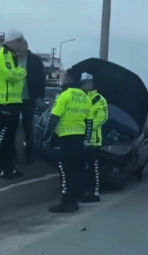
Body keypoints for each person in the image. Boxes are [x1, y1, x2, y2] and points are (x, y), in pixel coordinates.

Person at [43, 69, 93, 213]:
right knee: (76, 172)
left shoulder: (64, 95)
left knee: (65, 173)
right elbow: (89, 122)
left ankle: (66, 204)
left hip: (66, 138)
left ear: (70, 79)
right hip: (80, 139)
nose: (62, 78)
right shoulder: (85, 98)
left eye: (65, 76)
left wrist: (46, 137)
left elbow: (54, 118)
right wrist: (87, 140)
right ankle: (74, 201)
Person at [0, 31, 27, 178]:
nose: (22, 44)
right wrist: (22, 72)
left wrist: (19, 70)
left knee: (10, 137)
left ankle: (8, 165)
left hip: (14, 101)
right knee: (3, 135)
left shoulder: (13, 56)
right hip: (5, 102)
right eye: (20, 41)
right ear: (12, 41)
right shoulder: (4, 55)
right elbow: (10, 75)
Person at [79, 73, 108, 203]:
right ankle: (82, 191)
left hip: (93, 140)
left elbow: (102, 117)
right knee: (81, 167)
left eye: (89, 82)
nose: (87, 85)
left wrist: (88, 127)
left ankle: (94, 193)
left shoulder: (99, 99)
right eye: (84, 83)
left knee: (93, 167)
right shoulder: (78, 97)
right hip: (78, 137)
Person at [17, 38, 46, 163]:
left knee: (28, 128)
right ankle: (11, 154)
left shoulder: (35, 60)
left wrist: (40, 96)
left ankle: (29, 155)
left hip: (29, 98)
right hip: (13, 98)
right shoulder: (12, 59)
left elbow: (41, 78)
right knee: (11, 128)